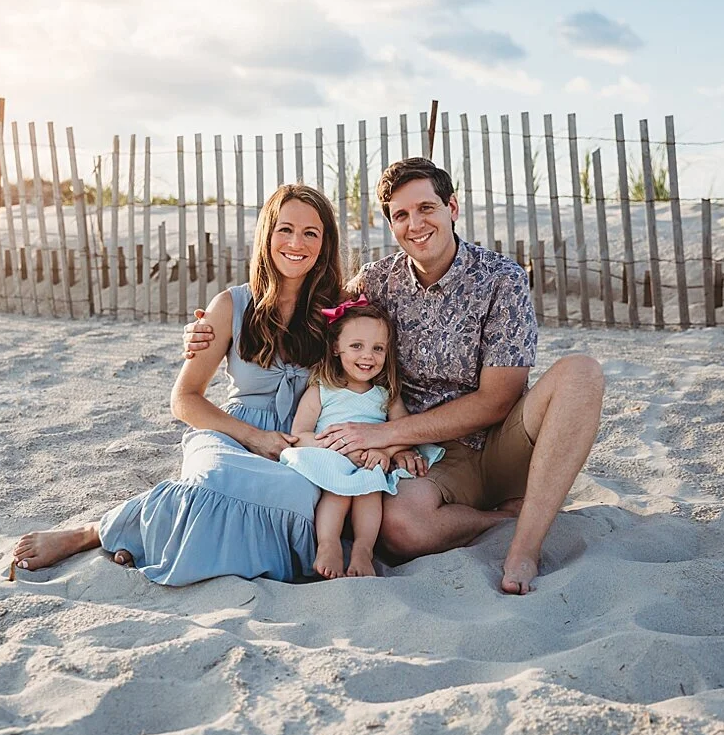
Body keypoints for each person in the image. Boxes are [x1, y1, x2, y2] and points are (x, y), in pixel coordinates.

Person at [184, 157, 604, 595]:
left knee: (582, 373)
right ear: (390, 224)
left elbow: (497, 401)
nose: (415, 224)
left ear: (452, 208)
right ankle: (504, 517)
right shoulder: (376, 282)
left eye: (426, 208)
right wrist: (208, 330)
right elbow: (303, 308)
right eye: (400, 215)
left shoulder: (502, 279)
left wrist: (381, 436)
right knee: (400, 530)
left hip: (502, 441)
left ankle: (525, 547)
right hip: (429, 457)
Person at [12, 183, 343, 585]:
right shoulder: (231, 304)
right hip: (233, 430)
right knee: (215, 479)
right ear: (267, 236)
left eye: (311, 233)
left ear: (325, 244)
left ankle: (149, 533)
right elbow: (184, 400)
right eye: (285, 230)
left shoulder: (340, 310)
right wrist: (254, 437)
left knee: (292, 496)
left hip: (302, 439)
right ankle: (93, 532)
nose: (296, 242)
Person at [279, 295, 444, 579]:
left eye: (377, 348)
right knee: (337, 491)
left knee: (370, 491)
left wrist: (387, 452)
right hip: (332, 460)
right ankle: (328, 544)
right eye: (357, 346)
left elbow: (405, 429)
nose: (368, 356)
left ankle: (363, 549)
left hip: (371, 462)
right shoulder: (322, 390)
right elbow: (299, 434)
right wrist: (330, 448)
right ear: (335, 348)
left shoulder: (385, 395)